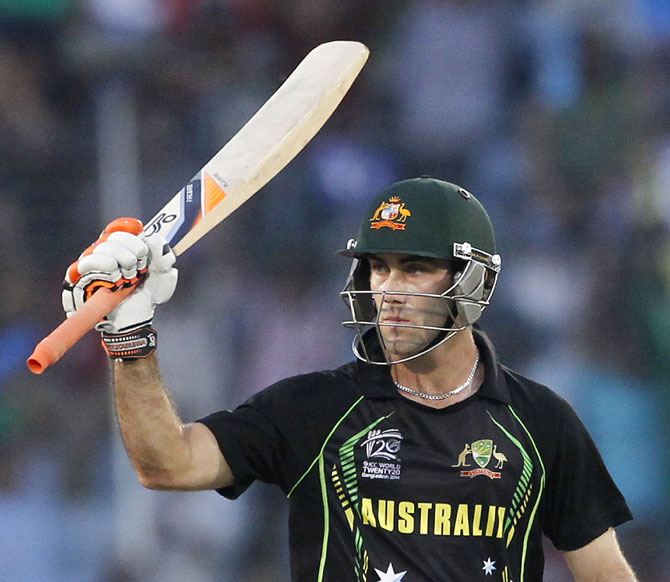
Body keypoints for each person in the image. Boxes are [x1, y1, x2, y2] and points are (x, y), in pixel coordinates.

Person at [62, 178, 637, 581]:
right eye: (377, 267)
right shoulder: (314, 407)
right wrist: (128, 336)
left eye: (415, 268)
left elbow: (605, 572)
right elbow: (166, 463)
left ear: (472, 282)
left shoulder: (539, 420)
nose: (388, 289)